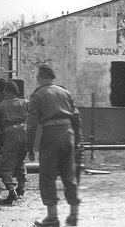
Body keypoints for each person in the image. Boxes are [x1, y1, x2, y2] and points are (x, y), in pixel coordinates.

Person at [26, 65, 82, 227]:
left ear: (41, 78)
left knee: (47, 176)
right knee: (69, 175)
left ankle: (52, 218)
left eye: (37, 77)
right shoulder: (65, 92)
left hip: (51, 136)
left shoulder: (37, 95)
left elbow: (31, 125)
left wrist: (29, 148)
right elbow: (77, 118)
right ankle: (74, 215)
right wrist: (78, 141)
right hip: (68, 134)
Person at [0, 80, 28, 205]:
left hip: (11, 136)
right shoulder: (24, 102)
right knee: (20, 161)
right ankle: (21, 188)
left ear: (6, 91)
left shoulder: (1, 106)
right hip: (25, 134)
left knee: (5, 166)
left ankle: (11, 190)